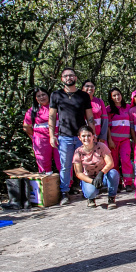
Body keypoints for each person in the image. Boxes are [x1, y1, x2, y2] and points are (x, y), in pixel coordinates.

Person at [49, 68, 94, 204]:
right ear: (62, 79)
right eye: (66, 76)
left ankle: (88, 191)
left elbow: (90, 116)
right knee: (65, 166)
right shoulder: (56, 95)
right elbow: (51, 116)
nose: (69, 78)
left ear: (75, 78)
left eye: (71, 75)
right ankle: (64, 192)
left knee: (86, 164)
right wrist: (52, 135)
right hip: (64, 136)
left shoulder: (83, 96)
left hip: (82, 137)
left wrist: (93, 134)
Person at [72, 126, 119, 209]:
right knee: (91, 192)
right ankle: (91, 198)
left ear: (93, 136)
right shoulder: (78, 152)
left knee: (114, 173)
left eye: (89, 135)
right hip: (89, 178)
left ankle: (111, 198)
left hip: (102, 176)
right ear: (79, 138)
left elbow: (110, 163)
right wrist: (93, 181)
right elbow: (78, 173)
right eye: (83, 136)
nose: (86, 138)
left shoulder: (101, 146)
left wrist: (101, 173)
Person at [22, 87, 59, 174]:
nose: (42, 97)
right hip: (41, 141)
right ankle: (47, 185)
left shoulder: (57, 107)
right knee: (44, 163)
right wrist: (35, 137)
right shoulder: (32, 111)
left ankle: (66, 185)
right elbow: (26, 126)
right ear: (35, 98)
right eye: (38, 96)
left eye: (43, 94)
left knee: (62, 162)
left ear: (48, 95)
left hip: (58, 138)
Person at [107, 88, 134, 190]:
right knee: (114, 162)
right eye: (114, 96)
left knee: (126, 160)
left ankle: (128, 183)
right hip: (113, 140)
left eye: (118, 94)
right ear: (111, 98)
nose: (117, 97)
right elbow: (108, 127)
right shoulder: (109, 109)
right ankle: (116, 183)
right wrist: (109, 140)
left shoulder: (128, 107)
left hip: (125, 140)